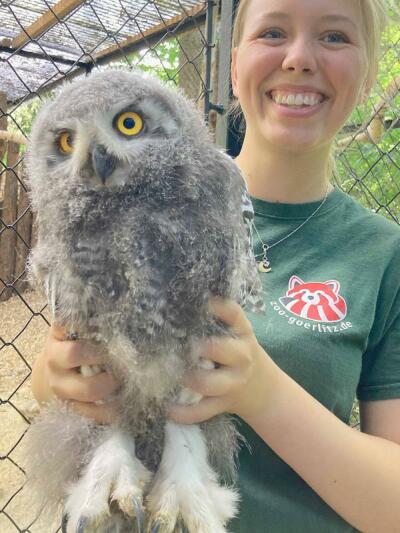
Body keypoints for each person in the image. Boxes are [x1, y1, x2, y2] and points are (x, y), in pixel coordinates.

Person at [31, 0, 400, 531]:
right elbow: (68, 372)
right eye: (273, 32)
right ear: (233, 65)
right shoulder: (111, 195)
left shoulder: (384, 256)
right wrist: (56, 377)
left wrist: (264, 395)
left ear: (368, 74)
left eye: (335, 37)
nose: (298, 57)